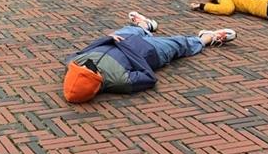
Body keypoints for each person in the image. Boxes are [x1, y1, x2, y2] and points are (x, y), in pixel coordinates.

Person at [62, 11, 236, 103]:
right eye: (89, 71)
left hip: (118, 39)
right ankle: (207, 38)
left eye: (82, 67)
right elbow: (149, 77)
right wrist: (128, 49)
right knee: (179, 44)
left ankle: (146, 25)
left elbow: (84, 50)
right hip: (150, 50)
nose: (87, 64)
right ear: (95, 82)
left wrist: (107, 39)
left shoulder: (74, 62)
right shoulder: (121, 81)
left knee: (129, 30)